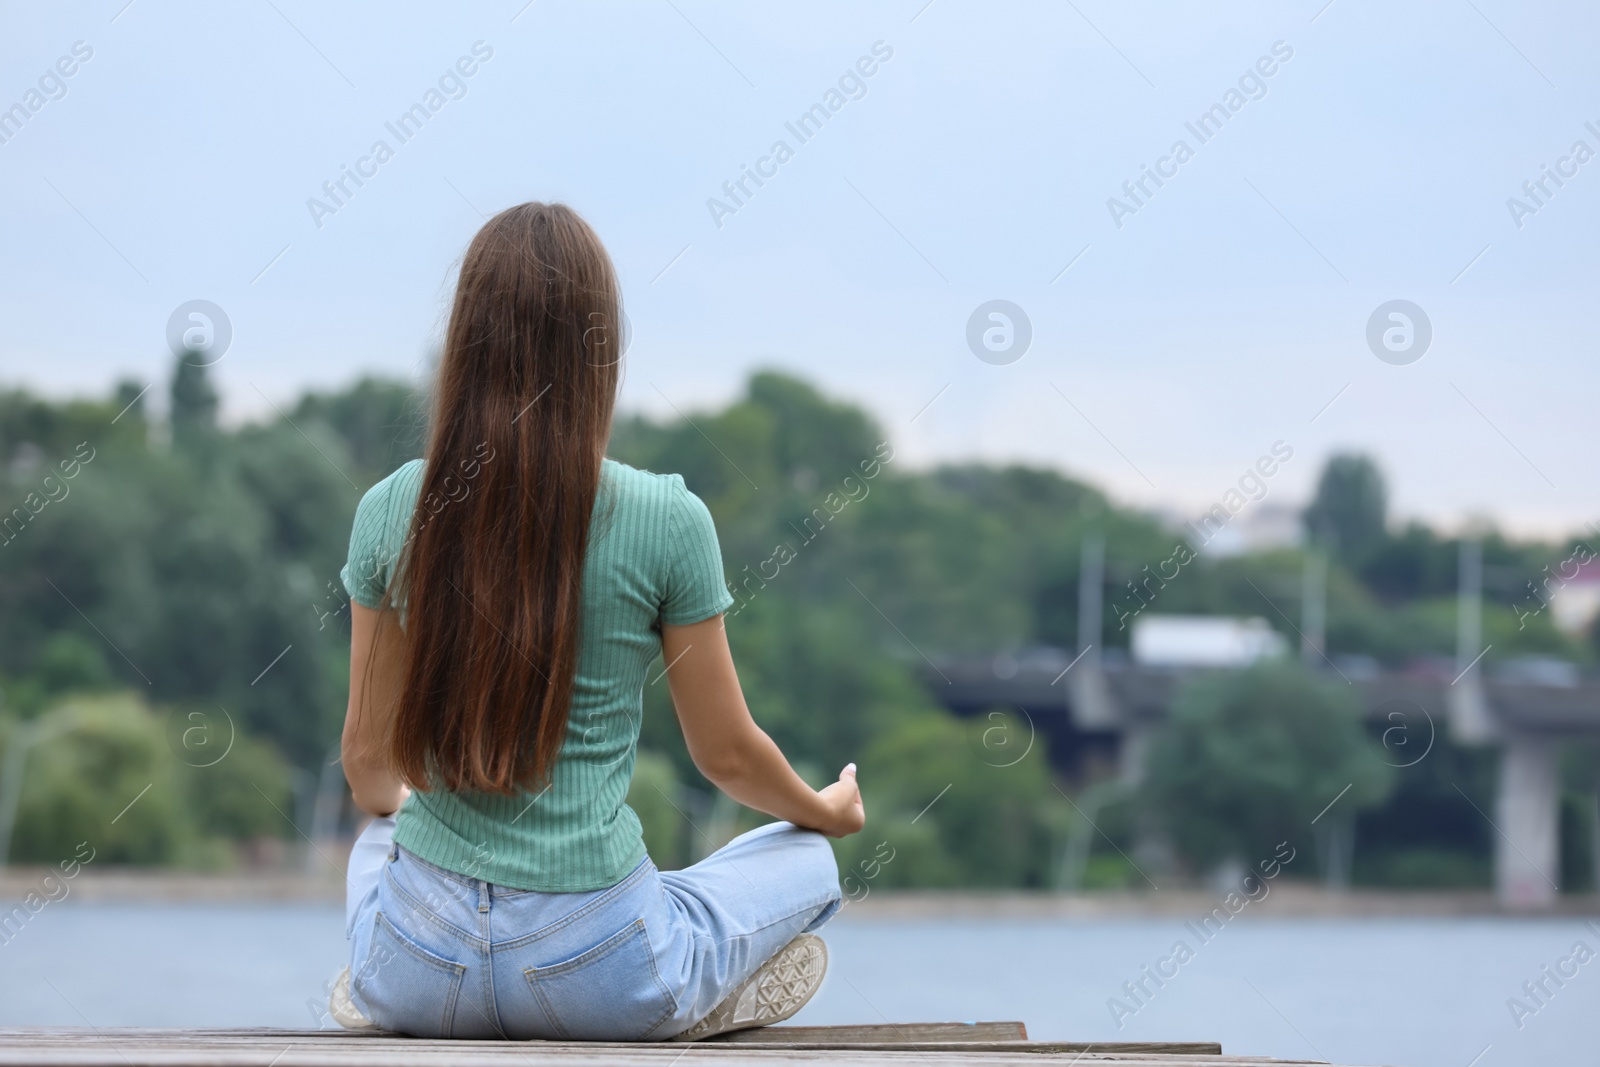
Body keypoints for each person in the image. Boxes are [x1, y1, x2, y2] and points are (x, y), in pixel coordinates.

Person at [330, 202, 864, 1041]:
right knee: (804, 861)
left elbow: (367, 760)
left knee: (379, 838)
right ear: (599, 350)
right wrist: (823, 809)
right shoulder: (667, 517)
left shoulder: (393, 507)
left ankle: (393, 970)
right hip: (599, 973)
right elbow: (725, 756)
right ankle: (697, 985)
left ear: (465, 340)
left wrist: (415, 827)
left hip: (418, 970)